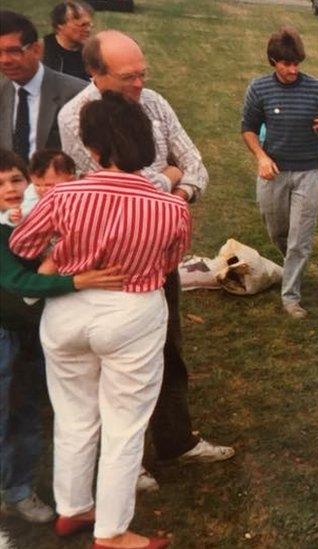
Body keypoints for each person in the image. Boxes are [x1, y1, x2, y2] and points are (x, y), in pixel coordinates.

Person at [10, 91, 189, 549]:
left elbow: (22, 247)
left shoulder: (64, 195)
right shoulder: (169, 206)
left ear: (89, 146)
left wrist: (64, 263)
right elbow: (171, 261)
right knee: (124, 423)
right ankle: (112, 531)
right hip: (133, 310)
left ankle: (73, 507)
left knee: (72, 414)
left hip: (68, 308)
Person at [59, 30, 233, 486]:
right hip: (106, 266)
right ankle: (124, 462)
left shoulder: (154, 102)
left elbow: (195, 164)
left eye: (142, 73)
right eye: (127, 77)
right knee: (113, 366)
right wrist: (167, 179)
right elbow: (117, 188)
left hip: (156, 255)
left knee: (168, 349)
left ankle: (176, 441)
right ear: (94, 74)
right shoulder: (75, 116)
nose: (139, 84)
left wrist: (177, 182)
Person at [0, 148, 124, 524]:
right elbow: (16, 280)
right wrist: (75, 280)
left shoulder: (32, 218)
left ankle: (19, 489)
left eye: (16, 180)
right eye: (0, 183)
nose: (9, 189)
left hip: (34, 333)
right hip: (5, 332)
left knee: (29, 411)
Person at [241, 26, 318, 319]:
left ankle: (291, 298)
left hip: (309, 173)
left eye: (297, 63)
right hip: (273, 172)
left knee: (300, 238)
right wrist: (260, 156)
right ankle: (293, 264)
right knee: (278, 230)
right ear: (273, 61)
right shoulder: (259, 89)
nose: (293, 70)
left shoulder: (316, 88)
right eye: (286, 64)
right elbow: (247, 129)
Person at [0, 11, 87, 161]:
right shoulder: (3, 94)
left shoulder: (77, 95)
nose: (5, 60)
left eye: (14, 51)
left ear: (37, 49)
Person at [42, 1, 93, 81]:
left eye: (89, 25)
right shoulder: (42, 52)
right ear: (60, 25)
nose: (88, 30)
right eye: (82, 25)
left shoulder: (91, 53)